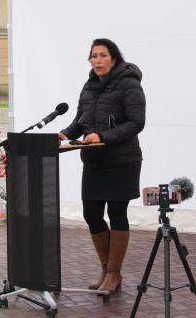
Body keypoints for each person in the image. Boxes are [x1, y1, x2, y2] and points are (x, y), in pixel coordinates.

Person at [58, 38, 146, 295]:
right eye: (93, 56)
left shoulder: (129, 84)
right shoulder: (89, 86)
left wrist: (103, 136)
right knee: (91, 214)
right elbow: (81, 119)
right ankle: (107, 268)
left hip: (122, 161)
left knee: (117, 214)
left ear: (114, 58)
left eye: (102, 55)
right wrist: (64, 133)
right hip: (94, 161)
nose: (97, 60)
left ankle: (113, 273)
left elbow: (136, 122)